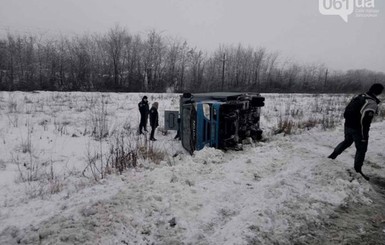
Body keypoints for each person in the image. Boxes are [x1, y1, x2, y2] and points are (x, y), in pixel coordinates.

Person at [328, 83, 384, 180]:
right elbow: (365, 120)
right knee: (361, 149)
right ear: (379, 92)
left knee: (347, 141)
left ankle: (332, 157)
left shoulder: (360, 96)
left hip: (348, 125)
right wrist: (363, 135)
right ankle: (358, 171)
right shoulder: (371, 102)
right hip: (358, 128)